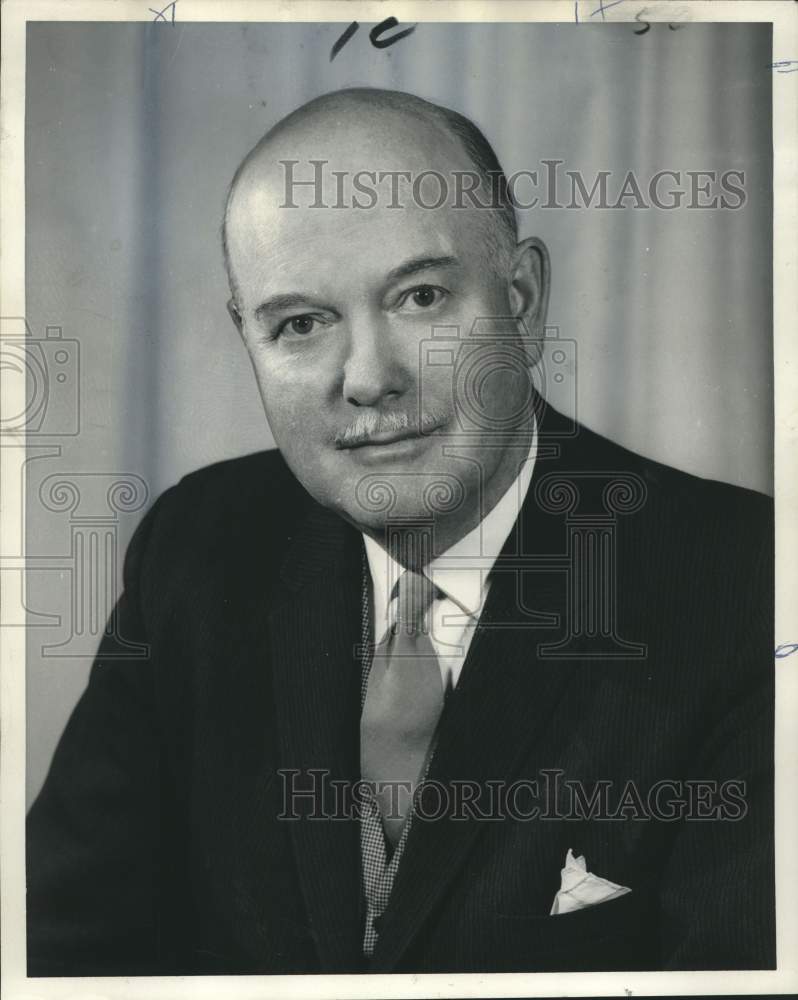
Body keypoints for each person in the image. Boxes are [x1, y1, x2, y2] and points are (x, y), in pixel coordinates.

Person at [26, 87, 774, 976]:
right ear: (248, 341)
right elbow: (60, 950)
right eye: (300, 324)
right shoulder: (199, 546)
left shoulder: (748, 586)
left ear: (524, 301)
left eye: (420, 297)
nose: (369, 379)